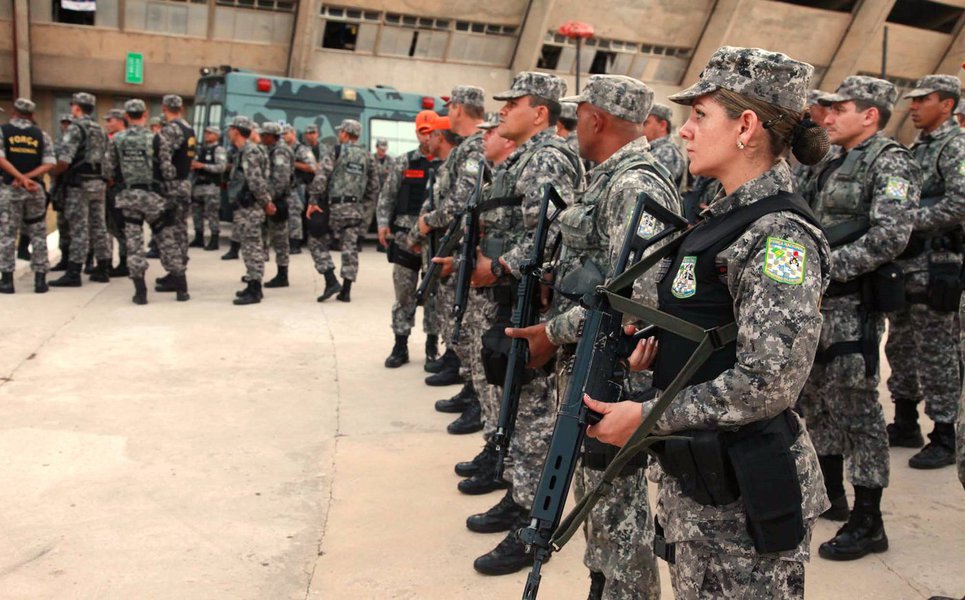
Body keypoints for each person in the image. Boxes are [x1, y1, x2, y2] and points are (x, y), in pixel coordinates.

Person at [582, 46, 832, 598]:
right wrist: (658, 349)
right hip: (701, 483)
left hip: (743, 500)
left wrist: (644, 416)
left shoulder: (778, 235)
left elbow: (768, 383)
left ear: (746, 126)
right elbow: (709, 328)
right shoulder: (721, 216)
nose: (684, 131)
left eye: (699, 116)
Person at [459, 71, 582, 574]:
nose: (503, 110)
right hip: (511, 298)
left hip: (529, 300)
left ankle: (533, 518)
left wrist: (501, 266)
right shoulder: (523, 158)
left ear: (541, 112)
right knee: (512, 402)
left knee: (530, 410)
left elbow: (551, 236)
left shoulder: (548, 158)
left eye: (515, 103)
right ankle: (518, 492)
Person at [798, 75, 919, 559]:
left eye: (838, 108)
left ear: (870, 114)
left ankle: (870, 519)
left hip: (850, 305)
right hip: (816, 303)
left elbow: (892, 234)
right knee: (816, 400)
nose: (826, 117)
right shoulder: (824, 161)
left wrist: (825, 271)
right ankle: (832, 497)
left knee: (857, 408)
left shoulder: (890, 162)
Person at [885, 74, 965, 469]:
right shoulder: (917, 149)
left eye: (923, 100)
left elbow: (959, 204)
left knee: (937, 352)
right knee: (900, 345)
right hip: (907, 267)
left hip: (937, 267)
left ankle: (946, 433)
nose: (913, 106)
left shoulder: (956, 146)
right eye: (912, 100)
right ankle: (905, 421)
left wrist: (906, 221)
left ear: (947, 105)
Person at [419, 85, 487, 391]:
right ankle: (462, 370)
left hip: (465, 246)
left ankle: (473, 386)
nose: (448, 112)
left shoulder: (476, 148)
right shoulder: (467, 147)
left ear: (459, 108)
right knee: (456, 313)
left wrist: (429, 222)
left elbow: (462, 202)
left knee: (468, 317)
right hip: (456, 243)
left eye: (450, 107)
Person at [104, 99, 188, 304]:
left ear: (126, 116)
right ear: (144, 115)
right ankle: (181, 289)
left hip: (129, 198)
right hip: (154, 199)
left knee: (134, 244)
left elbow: (107, 170)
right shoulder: (157, 139)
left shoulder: (117, 139)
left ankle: (140, 292)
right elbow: (168, 171)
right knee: (167, 240)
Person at [377, 113, 440, 369]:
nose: (426, 136)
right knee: (404, 293)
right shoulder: (404, 161)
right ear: (417, 134)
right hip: (404, 237)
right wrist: (382, 223)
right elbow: (387, 196)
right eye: (422, 131)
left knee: (434, 295)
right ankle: (400, 344)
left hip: (434, 238)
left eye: (430, 131)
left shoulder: (446, 163)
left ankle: (432, 346)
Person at [307, 119, 379, 303]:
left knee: (316, 241)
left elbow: (321, 176)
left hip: (335, 208)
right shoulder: (368, 156)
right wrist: (366, 211)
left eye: (341, 132)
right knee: (350, 248)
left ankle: (331, 280)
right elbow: (373, 188)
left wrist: (313, 201)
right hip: (356, 210)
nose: (339, 134)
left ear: (345, 134)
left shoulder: (336, 150)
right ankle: (345, 291)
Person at [49, 92, 110, 287]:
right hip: (98, 183)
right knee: (99, 226)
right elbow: (106, 158)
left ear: (76, 108)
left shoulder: (75, 128)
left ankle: (74, 272)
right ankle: (103, 267)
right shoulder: (100, 129)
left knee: (79, 228)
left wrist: (54, 173)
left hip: (79, 185)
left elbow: (65, 160)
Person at [0, 98, 55, 294]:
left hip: (10, 188)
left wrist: (18, 177)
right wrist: (28, 178)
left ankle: (7, 281)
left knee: (7, 233)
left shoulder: (3, 131)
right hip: (35, 189)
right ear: (32, 115)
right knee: (38, 233)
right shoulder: (42, 135)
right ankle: (40, 281)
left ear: (14, 112)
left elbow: (1, 158)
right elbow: (49, 163)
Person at [226, 116, 275, 305]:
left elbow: (255, 181)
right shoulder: (243, 151)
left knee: (253, 247)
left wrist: (266, 202)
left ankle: (255, 289)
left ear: (236, 131)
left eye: (230, 129)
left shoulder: (250, 152)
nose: (228, 132)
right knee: (248, 247)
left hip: (251, 207)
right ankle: (252, 284)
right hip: (244, 207)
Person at [154, 94, 197, 287]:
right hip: (185, 183)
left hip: (171, 186)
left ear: (164, 108)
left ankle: (175, 272)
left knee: (167, 229)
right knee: (180, 229)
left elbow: (163, 158)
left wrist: (163, 181)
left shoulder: (171, 130)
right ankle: (179, 270)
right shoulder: (189, 128)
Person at [261, 121, 295, 288]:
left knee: (280, 239)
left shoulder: (280, 151)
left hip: (278, 200)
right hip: (271, 199)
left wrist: (267, 199)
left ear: (270, 136)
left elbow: (281, 180)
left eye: (263, 135)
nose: (261, 138)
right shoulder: (272, 149)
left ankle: (283, 275)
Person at [190, 125, 228, 251]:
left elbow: (221, 167)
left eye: (210, 133)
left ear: (217, 136)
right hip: (198, 186)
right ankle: (198, 237)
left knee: (212, 214)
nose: (207, 135)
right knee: (196, 213)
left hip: (211, 187)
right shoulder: (201, 149)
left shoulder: (219, 150)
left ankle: (214, 239)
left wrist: (203, 166)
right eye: (206, 133)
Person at [103, 108, 130, 277]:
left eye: (110, 120)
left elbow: (108, 166)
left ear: (120, 121)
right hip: (124, 188)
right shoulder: (113, 138)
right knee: (119, 228)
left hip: (119, 187)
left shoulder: (119, 139)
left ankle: (123, 262)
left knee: (120, 228)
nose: (107, 124)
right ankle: (124, 261)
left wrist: (108, 179)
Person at [285, 124, 314, 254]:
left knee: (294, 215)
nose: (283, 136)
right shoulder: (281, 148)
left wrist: (292, 163)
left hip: (296, 187)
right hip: (282, 186)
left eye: (286, 133)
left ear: (293, 133)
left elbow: (312, 166)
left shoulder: (301, 149)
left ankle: (295, 243)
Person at [50, 113, 74, 273]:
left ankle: (81, 260)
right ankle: (65, 258)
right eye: (63, 123)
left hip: (74, 186)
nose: (65, 126)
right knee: (62, 224)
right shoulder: (57, 143)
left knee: (79, 226)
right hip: (60, 188)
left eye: (68, 123)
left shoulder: (77, 141)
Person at [643, 102, 686, 188]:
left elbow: (650, 188)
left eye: (646, 123)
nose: (641, 127)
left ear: (662, 125)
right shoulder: (652, 149)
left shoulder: (666, 152)